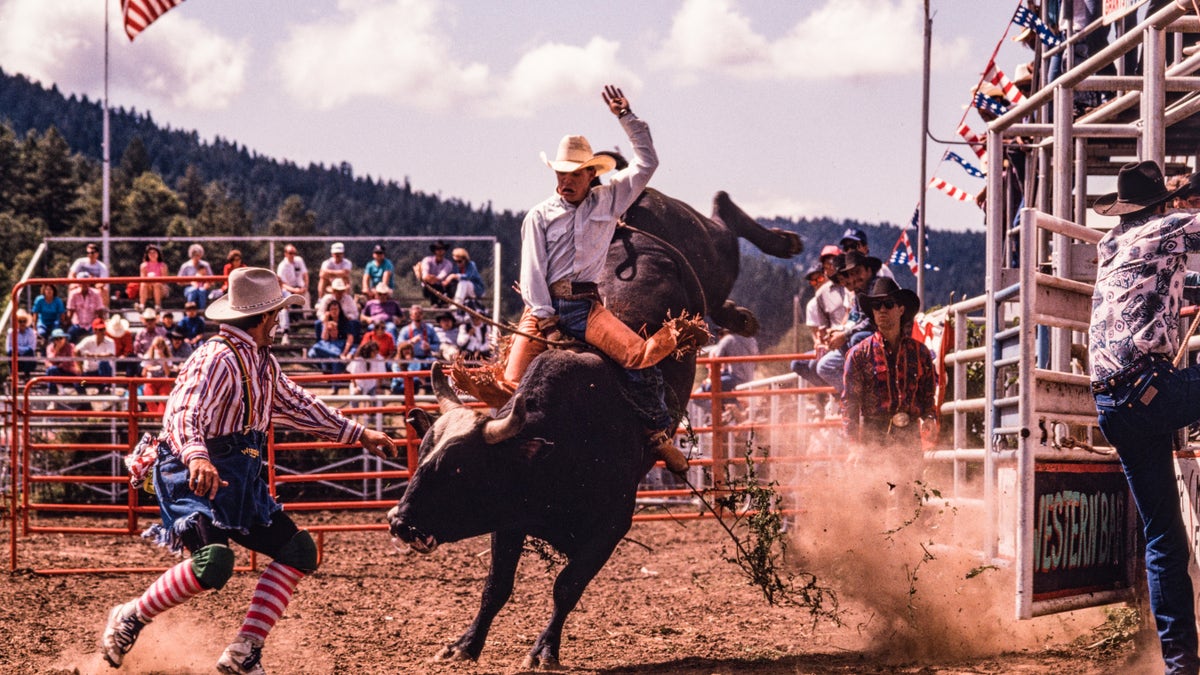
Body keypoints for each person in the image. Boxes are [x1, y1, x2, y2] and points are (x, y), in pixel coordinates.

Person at [99, 266, 398, 672]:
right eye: (275, 312)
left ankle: (243, 652)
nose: (278, 319)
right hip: (193, 474)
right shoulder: (216, 357)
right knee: (214, 562)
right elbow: (183, 411)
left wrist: (357, 433)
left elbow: (296, 403)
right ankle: (130, 616)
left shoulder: (261, 362)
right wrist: (197, 457)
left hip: (237, 476)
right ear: (261, 317)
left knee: (298, 551)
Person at [462, 84, 693, 474]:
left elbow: (647, 163)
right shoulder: (538, 215)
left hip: (586, 307)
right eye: (561, 173)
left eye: (573, 174)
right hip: (545, 308)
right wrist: (546, 319)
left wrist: (627, 118)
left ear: (590, 175)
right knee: (509, 385)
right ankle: (503, 456)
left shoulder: (610, 199)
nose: (565, 180)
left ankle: (657, 435)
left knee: (642, 359)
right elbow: (532, 271)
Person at [1088, 160, 1200, 675]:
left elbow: (1168, 285)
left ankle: (1182, 667)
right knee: (1164, 537)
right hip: (1146, 387)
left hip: (1112, 404)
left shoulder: (1110, 246)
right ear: (1165, 205)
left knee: (1164, 537)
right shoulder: (1167, 230)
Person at [842, 278, 936, 448]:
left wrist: (929, 417)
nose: (882, 309)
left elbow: (927, 393)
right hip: (874, 434)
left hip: (909, 433)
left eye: (888, 304)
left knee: (912, 475)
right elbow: (850, 402)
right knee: (877, 474)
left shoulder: (920, 353)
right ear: (873, 312)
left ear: (901, 310)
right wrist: (853, 445)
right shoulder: (859, 354)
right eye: (877, 306)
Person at [307, 300, 355, 388]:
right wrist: (325, 322)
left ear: (340, 310)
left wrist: (344, 352)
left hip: (340, 345)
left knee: (334, 359)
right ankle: (337, 356)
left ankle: (334, 386)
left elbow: (350, 340)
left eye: (336, 309)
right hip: (328, 347)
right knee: (315, 349)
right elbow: (324, 338)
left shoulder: (345, 321)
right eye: (332, 309)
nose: (334, 311)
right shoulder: (325, 321)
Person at [275, 244, 310, 347]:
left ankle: (306, 316)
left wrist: (306, 287)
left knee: (306, 293)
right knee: (287, 298)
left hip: (299, 287)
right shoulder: (282, 266)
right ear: (285, 254)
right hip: (288, 289)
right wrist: (294, 290)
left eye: (294, 253)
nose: (292, 255)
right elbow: (282, 284)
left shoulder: (299, 260)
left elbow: (305, 275)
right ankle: (285, 330)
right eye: (290, 253)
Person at [315, 277, 361, 344]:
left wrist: (348, 317)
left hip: (344, 321)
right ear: (333, 291)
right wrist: (326, 319)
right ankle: (321, 344)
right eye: (337, 291)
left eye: (341, 291)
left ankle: (353, 344)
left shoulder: (348, 299)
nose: (339, 293)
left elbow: (355, 313)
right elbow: (320, 313)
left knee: (355, 323)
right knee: (318, 324)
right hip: (329, 321)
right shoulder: (327, 298)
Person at [69, 242, 111, 307]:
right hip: (80, 284)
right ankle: (71, 308)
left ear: (97, 254)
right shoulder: (80, 262)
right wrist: (75, 283)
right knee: (72, 286)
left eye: (92, 253)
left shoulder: (102, 266)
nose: (89, 255)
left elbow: (102, 282)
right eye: (88, 253)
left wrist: (92, 282)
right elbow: (71, 274)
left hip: (94, 286)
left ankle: (102, 311)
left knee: (104, 290)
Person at [65, 275, 105, 343]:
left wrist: (99, 324)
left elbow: (100, 311)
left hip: (92, 324)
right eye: (82, 282)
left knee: (98, 335)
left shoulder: (96, 293)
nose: (84, 284)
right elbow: (70, 312)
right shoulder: (73, 294)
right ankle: (71, 352)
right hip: (77, 324)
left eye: (86, 282)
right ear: (79, 283)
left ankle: (95, 352)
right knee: (69, 334)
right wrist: (66, 324)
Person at [75, 317, 116, 384]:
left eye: (104, 329)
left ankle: (105, 387)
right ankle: (83, 392)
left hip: (102, 374)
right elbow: (76, 350)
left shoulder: (110, 341)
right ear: (95, 330)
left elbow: (110, 354)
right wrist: (79, 367)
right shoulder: (88, 340)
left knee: (103, 363)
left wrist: (93, 355)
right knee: (79, 383)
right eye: (100, 329)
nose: (103, 332)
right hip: (88, 373)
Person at [140, 336, 173, 414]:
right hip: (151, 380)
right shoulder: (148, 355)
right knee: (148, 397)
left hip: (163, 381)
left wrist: (163, 359)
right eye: (157, 346)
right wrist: (148, 367)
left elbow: (168, 373)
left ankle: (159, 416)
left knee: (164, 399)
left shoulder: (167, 357)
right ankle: (155, 416)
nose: (159, 348)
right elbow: (143, 374)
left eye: (161, 346)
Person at [416, 240, 454, 307]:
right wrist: (429, 278)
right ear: (434, 250)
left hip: (441, 287)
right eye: (438, 249)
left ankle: (444, 303)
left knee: (450, 283)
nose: (440, 251)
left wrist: (433, 278)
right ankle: (435, 304)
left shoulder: (448, 263)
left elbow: (442, 275)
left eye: (442, 248)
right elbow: (425, 274)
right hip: (428, 288)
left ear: (444, 250)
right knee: (430, 285)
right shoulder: (427, 260)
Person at [178, 244, 215, 310]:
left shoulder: (205, 265)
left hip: (203, 288)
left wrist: (207, 283)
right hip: (189, 288)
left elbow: (212, 280)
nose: (197, 257)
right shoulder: (185, 266)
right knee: (193, 291)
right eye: (195, 255)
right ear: (191, 255)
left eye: (199, 255)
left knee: (202, 291)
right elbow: (179, 282)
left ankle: (201, 312)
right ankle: (190, 311)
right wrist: (190, 282)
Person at [43, 328, 79, 395]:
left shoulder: (71, 346)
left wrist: (60, 364)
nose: (59, 340)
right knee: (51, 370)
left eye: (60, 338)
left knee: (82, 382)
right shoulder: (50, 347)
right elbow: (49, 361)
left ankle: (85, 402)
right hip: (57, 372)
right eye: (56, 339)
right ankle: (52, 395)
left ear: (65, 338)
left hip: (70, 372)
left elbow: (70, 362)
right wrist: (57, 350)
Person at [138, 244, 169, 311]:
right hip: (148, 289)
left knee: (156, 284)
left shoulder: (163, 266)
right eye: (150, 253)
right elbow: (142, 279)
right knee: (143, 284)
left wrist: (155, 280)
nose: (152, 254)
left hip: (161, 289)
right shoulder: (143, 266)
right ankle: (141, 306)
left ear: (158, 254)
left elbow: (164, 281)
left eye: (154, 252)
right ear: (147, 255)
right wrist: (150, 281)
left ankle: (157, 306)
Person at [8, 309, 37, 375]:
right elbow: (8, 348)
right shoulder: (11, 332)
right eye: (20, 321)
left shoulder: (31, 332)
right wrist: (21, 350)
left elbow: (32, 348)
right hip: (16, 359)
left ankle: (26, 375)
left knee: (29, 352)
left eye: (24, 321)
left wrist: (18, 349)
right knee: (10, 352)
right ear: (16, 322)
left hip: (27, 361)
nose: (22, 323)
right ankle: (13, 374)